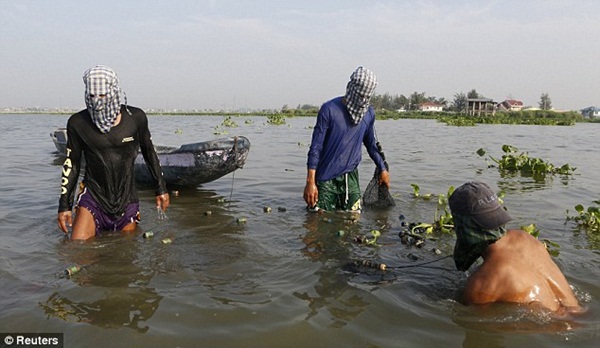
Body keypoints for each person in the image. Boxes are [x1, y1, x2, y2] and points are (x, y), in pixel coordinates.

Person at [57, 65, 169, 240]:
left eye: (102, 95)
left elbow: (149, 152)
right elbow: (72, 164)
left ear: (113, 91)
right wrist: (64, 206)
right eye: (92, 96)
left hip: (127, 198)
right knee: (77, 249)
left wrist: (161, 188)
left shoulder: (136, 118)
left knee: (126, 255)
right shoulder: (78, 123)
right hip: (93, 197)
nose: (97, 101)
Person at [448, 181, 581, 313]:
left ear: (463, 226)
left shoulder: (481, 284)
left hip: (554, 329)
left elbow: (472, 322)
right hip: (578, 314)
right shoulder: (526, 238)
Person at [303, 66, 390, 212]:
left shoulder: (368, 114)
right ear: (351, 88)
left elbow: (371, 144)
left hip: (351, 179)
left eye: (366, 97)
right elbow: (315, 148)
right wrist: (310, 181)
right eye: (360, 95)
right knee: (317, 223)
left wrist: (383, 168)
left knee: (353, 222)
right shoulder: (329, 110)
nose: (362, 101)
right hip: (325, 180)